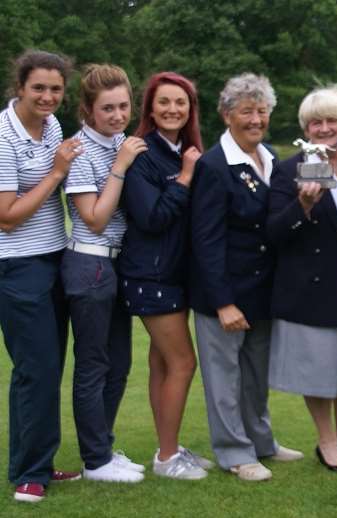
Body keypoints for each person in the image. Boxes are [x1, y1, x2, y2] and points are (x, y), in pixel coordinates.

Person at [190, 73, 302, 482]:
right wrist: (223, 302)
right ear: (226, 115)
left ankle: (261, 441)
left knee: (256, 375)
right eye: (246, 111)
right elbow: (205, 240)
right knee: (224, 377)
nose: (255, 119)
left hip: (262, 290)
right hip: (225, 293)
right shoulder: (213, 166)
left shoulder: (270, 157)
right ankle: (235, 452)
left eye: (262, 111)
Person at [267, 84, 337, 473]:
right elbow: (274, 233)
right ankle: (326, 441)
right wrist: (303, 204)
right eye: (316, 122)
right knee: (320, 368)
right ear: (305, 127)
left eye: (332, 120)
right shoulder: (290, 168)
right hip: (313, 285)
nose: (325, 128)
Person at [118, 71, 212, 479]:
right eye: (164, 102)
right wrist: (187, 178)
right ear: (150, 109)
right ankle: (168, 459)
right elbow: (152, 218)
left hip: (177, 274)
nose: (173, 109)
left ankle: (167, 447)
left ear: (190, 110)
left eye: (181, 103)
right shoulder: (141, 154)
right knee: (183, 362)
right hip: (150, 276)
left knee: (162, 363)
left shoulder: (185, 151)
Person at [0, 50, 82, 503]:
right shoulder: (2, 135)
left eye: (55, 89)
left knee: (47, 369)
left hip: (56, 259)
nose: (48, 96)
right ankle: (29, 474)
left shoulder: (51, 126)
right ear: (20, 88)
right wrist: (56, 172)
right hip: (18, 264)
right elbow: (6, 217)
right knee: (36, 369)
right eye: (39, 88)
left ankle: (37, 461)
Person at [62, 64, 147, 483]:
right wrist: (121, 164)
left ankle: (105, 449)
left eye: (124, 106)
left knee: (120, 365)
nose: (117, 116)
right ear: (88, 109)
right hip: (89, 263)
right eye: (108, 108)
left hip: (117, 265)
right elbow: (94, 217)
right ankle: (95, 461)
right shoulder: (78, 149)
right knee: (93, 365)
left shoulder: (120, 142)